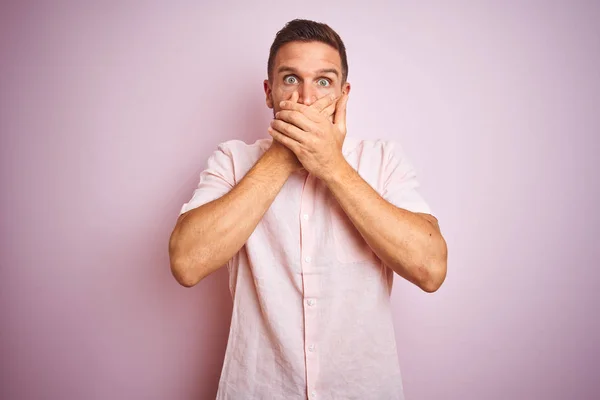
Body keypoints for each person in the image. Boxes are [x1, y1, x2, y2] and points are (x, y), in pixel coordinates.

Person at [168, 18, 448, 400]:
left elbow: (430, 269)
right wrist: (284, 157)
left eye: (323, 81)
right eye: (290, 79)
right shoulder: (232, 161)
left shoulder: (382, 160)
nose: (305, 98)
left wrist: (332, 167)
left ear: (344, 93)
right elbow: (186, 263)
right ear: (268, 93)